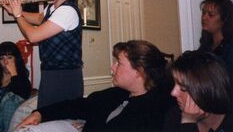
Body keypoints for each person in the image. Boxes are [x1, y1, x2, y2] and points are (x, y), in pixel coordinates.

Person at [16, 40, 174, 132]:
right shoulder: (118, 94)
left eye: (119, 63)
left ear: (139, 72)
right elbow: (79, 105)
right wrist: (40, 114)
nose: (112, 68)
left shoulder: (153, 112)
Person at [0, 0, 83, 108]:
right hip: (50, 73)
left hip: (65, 76)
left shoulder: (67, 11)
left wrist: (18, 14)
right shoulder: (52, 7)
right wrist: (12, 11)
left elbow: (33, 37)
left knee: (58, 122)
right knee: (44, 117)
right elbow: (39, 19)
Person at [163, 50, 232, 132]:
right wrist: (188, 122)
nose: (173, 93)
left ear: (206, 89)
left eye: (183, 87)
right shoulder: (174, 117)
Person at [197, 0, 233, 76]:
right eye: (203, 13)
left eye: (210, 14)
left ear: (224, 19)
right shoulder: (206, 45)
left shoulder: (230, 47)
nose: (204, 18)